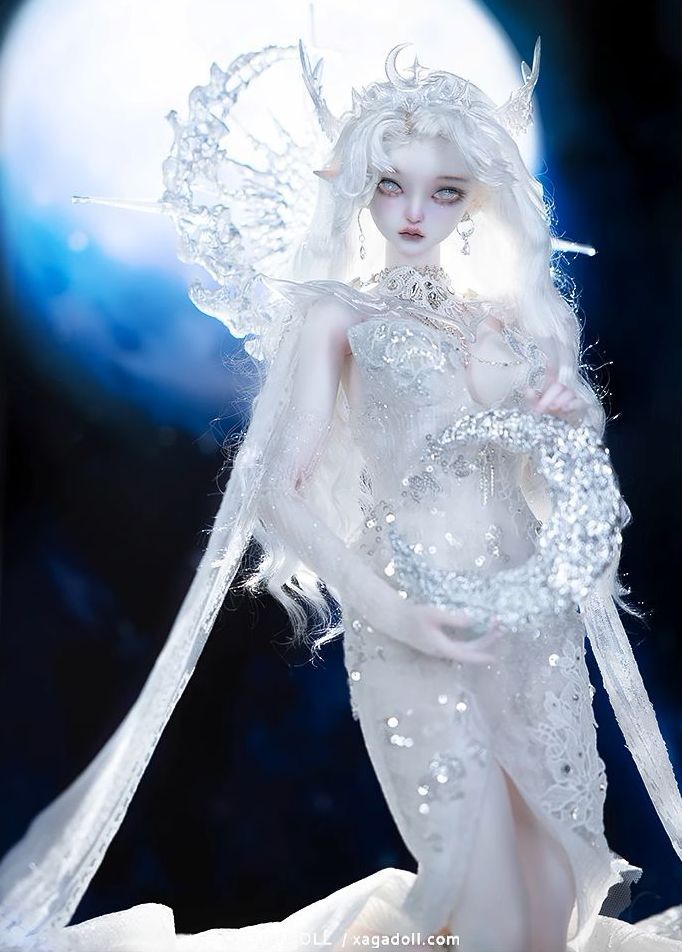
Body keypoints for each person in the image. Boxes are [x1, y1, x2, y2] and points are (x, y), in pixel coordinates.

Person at [2, 38, 682, 952]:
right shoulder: (340, 313)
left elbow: (561, 471)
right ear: (358, 186)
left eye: (445, 191)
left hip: (529, 623)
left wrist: (569, 414)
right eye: (391, 185)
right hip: (411, 610)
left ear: (477, 199)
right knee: (486, 898)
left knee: (555, 899)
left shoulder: (499, 321)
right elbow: (275, 494)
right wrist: (390, 608)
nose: (415, 212)